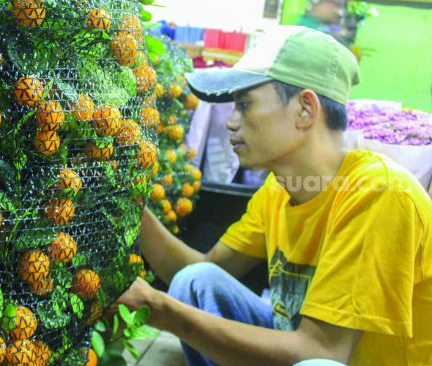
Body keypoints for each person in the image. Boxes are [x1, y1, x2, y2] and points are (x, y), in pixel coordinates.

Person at [116, 26, 432, 366]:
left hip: (331, 356)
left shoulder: (379, 195)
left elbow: (323, 351)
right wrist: (129, 204)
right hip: (306, 345)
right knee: (196, 283)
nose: (231, 123)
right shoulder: (279, 189)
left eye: (245, 104)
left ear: (305, 109)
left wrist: (161, 310)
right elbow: (200, 267)